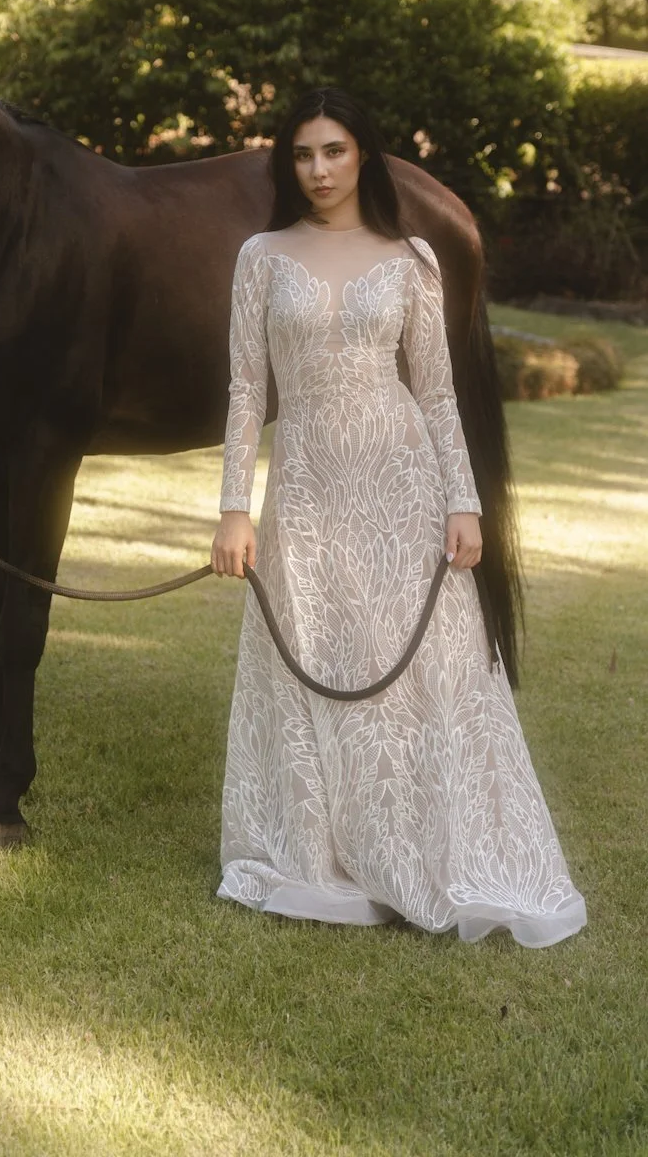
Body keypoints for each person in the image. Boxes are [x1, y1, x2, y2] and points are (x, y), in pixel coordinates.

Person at [210, 87, 586, 946]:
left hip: (403, 479)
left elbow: (440, 393)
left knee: (416, 666)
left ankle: (430, 845)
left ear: (364, 157)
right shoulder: (260, 257)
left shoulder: (413, 256)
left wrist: (464, 501)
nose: (318, 170)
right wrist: (235, 508)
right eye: (303, 155)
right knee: (314, 652)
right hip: (304, 483)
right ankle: (319, 848)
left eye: (334, 151)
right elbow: (244, 391)